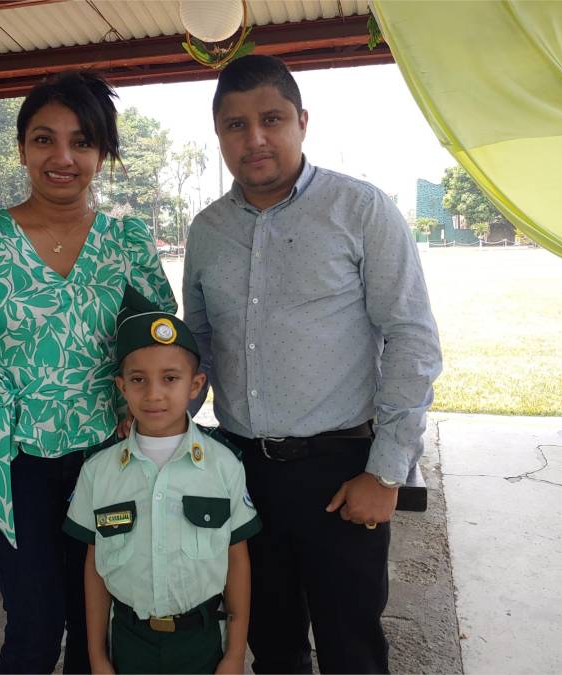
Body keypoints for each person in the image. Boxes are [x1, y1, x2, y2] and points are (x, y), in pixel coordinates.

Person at [183, 55, 442, 674]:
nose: (255, 139)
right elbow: (200, 345)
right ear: (219, 134)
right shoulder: (207, 230)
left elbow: (411, 337)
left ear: (301, 121)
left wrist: (385, 473)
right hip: (243, 473)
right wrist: (165, 438)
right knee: (270, 644)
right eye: (235, 126)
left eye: (271, 119)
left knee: (351, 645)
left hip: (342, 472)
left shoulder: (360, 210)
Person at [0, 72, 176, 674]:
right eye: (43, 140)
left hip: (107, 464)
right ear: (22, 148)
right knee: (33, 624)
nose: (62, 158)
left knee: (98, 624)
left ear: (102, 153)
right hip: (14, 463)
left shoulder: (126, 243)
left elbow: (157, 354)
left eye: (82, 142)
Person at [63, 287, 261, 674]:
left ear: (195, 385)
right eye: (138, 380)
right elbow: (94, 567)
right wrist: (97, 656)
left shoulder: (223, 465)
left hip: (202, 640)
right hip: (129, 640)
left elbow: (237, 560)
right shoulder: (99, 471)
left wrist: (235, 653)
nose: (153, 394)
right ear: (121, 387)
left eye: (170, 378)